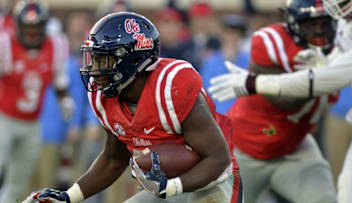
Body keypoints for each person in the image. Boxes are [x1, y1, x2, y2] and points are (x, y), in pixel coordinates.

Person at [23, 12, 243, 203]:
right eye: (94, 59)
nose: (94, 69)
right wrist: (70, 196)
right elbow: (113, 159)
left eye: (103, 60)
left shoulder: (171, 88)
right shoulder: (105, 97)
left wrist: (172, 187)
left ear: (131, 60)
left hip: (212, 181)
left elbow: (218, 159)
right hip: (162, 188)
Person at [209, 1, 352, 202]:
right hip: (245, 149)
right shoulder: (272, 40)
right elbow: (287, 101)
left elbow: (326, 82)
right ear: (292, 24)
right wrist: (263, 82)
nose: (319, 32)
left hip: (294, 147)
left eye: (324, 24)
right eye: (310, 25)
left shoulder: (339, 47)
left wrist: (321, 71)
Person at [0, 0, 72, 202]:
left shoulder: (56, 46)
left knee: (19, 181)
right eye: (27, 26)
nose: (32, 32)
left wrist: (65, 101)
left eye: (36, 26)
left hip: (32, 123)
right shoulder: (5, 44)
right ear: (18, 26)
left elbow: (60, 83)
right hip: (4, 118)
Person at [200, 14, 249, 114]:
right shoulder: (211, 60)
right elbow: (204, 90)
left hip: (242, 115)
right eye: (228, 32)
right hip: (217, 116)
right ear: (222, 34)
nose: (231, 36)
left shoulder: (248, 59)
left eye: (236, 33)